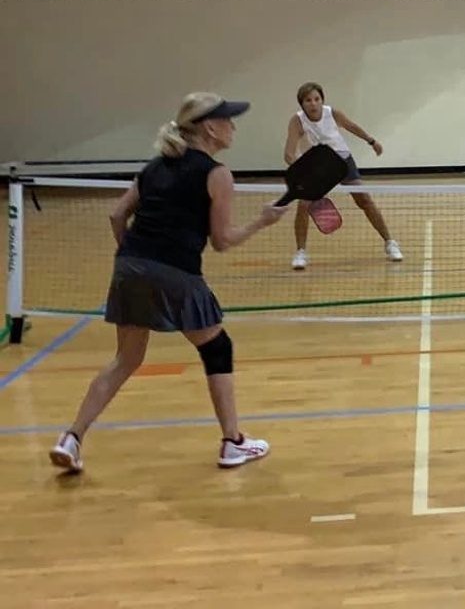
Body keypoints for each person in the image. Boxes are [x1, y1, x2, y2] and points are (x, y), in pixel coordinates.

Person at [49, 93, 287, 474]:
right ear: (210, 128)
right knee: (217, 348)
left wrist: (136, 257)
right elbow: (222, 241)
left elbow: (116, 215)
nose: (233, 126)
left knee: (126, 359)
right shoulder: (217, 173)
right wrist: (263, 221)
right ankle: (232, 442)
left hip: (129, 266)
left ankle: (71, 438)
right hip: (176, 272)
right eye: (227, 119)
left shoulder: (153, 168)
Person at [284, 82, 404, 270]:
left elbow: (351, 126)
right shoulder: (297, 121)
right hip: (318, 167)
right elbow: (289, 154)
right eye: (308, 100)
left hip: (342, 161)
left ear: (322, 100)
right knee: (303, 204)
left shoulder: (333, 113)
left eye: (317, 99)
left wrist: (372, 141)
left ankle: (390, 242)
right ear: (302, 104)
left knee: (364, 199)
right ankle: (301, 252)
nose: (313, 103)